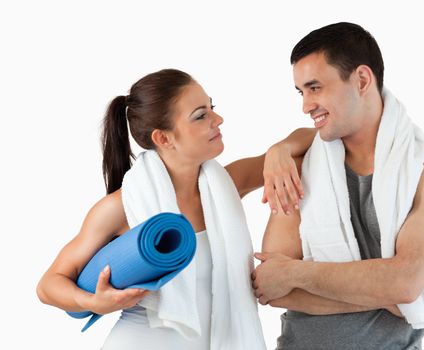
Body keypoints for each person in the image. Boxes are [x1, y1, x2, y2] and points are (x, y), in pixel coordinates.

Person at [36, 68, 314, 349]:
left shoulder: (228, 185)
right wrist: (93, 302)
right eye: (201, 115)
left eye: (212, 108)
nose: (218, 119)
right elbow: (49, 285)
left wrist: (280, 149)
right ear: (164, 139)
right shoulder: (121, 207)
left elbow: (313, 140)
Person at [252, 22, 424, 349]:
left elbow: (405, 282)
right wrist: (391, 296)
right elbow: (272, 286)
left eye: (315, 87)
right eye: (301, 92)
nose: (306, 105)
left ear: (362, 80)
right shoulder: (297, 166)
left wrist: (296, 273)